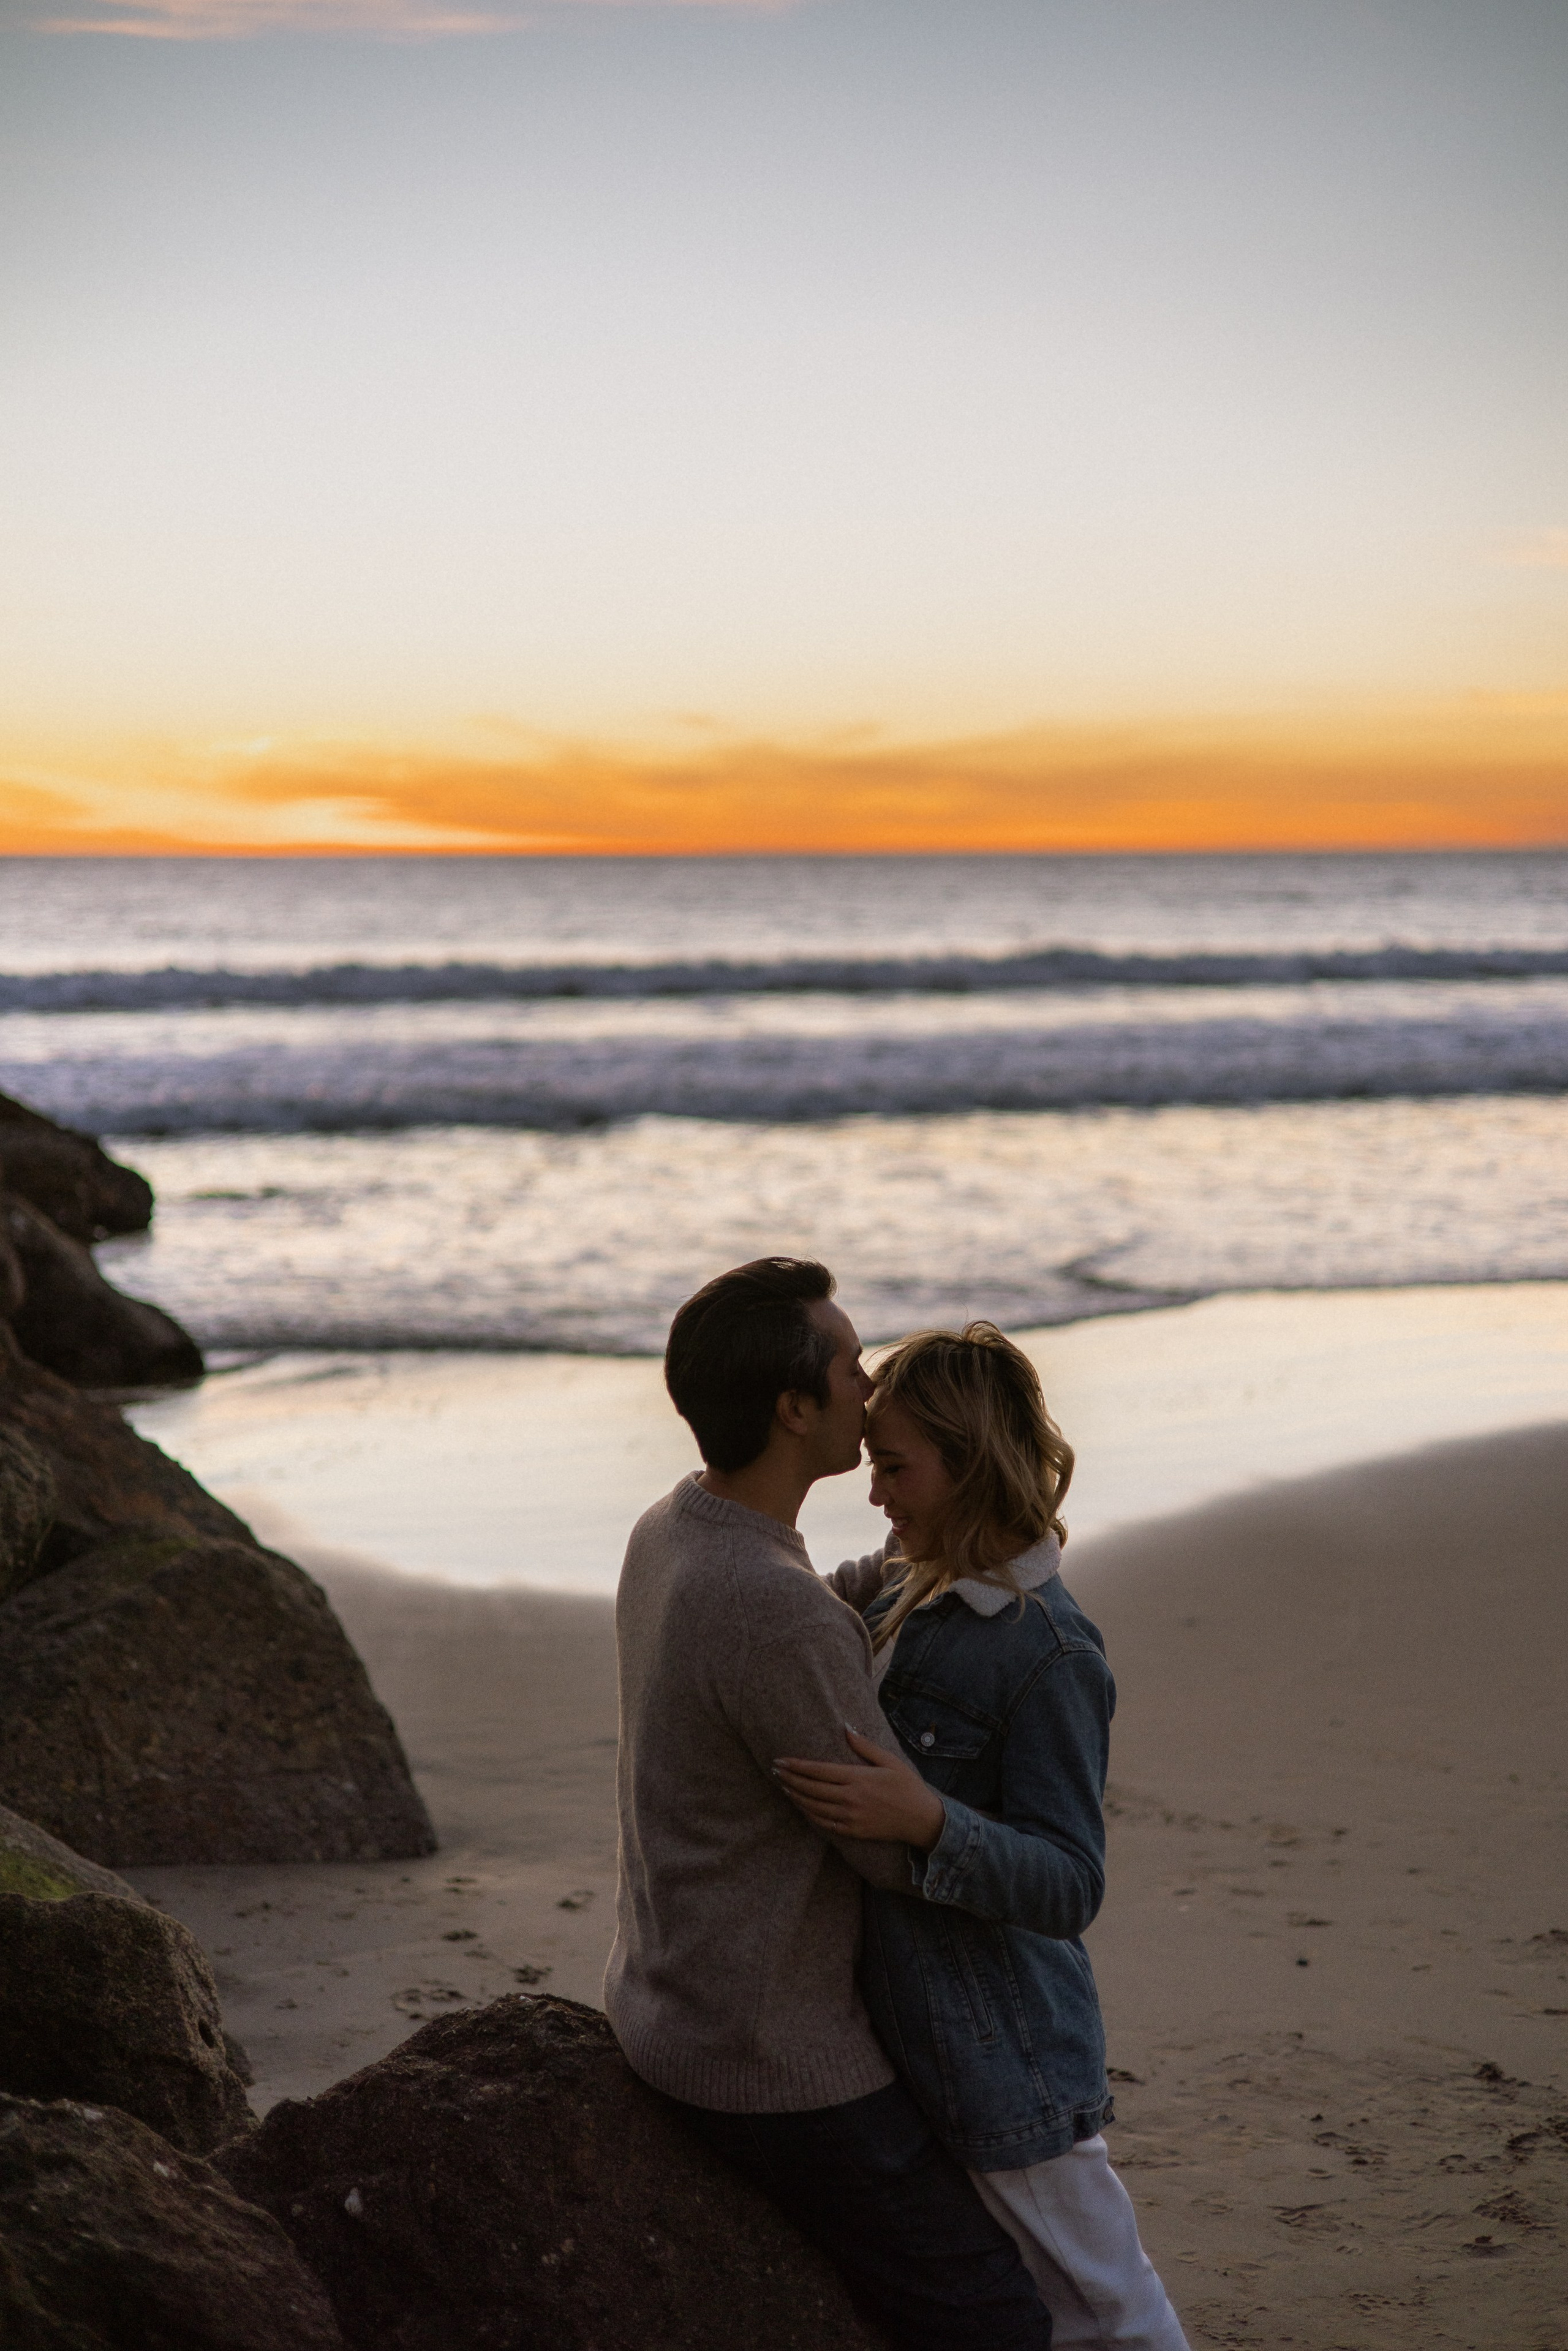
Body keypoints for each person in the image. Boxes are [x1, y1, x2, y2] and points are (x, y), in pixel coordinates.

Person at [603, 1259, 1052, 2351]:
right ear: (794, 1409)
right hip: (774, 2057)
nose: (871, 1379)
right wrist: (944, 1817)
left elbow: (803, 1606)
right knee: (999, 2320)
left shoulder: (676, 1525)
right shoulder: (774, 1613)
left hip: (664, 1997)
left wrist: (927, 1555)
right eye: (849, 1364)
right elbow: (889, 1860)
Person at [776, 1323, 1189, 2351]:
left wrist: (930, 1820)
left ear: (971, 1466)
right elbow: (793, 1613)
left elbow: (1071, 1881)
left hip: (1008, 2062)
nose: (876, 1494)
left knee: (1112, 2315)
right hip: (915, 2049)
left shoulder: (1049, 1653)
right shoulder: (903, 1580)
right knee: (1024, 2311)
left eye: (895, 1468)